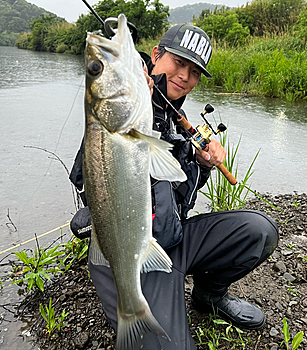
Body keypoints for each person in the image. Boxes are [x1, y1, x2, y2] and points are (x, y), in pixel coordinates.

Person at [69, 24, 279, 350]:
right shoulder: (124, 111)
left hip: (173, 240)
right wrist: (123, 70)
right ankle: (133, 309)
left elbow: (181, 195)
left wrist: (203, 164)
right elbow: (92, 168)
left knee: (259, 230)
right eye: (178, 63)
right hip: (127, 250)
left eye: (194, 71)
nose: (184, 76)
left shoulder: (176, 121)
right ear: (155, 55)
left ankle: (209, 295)